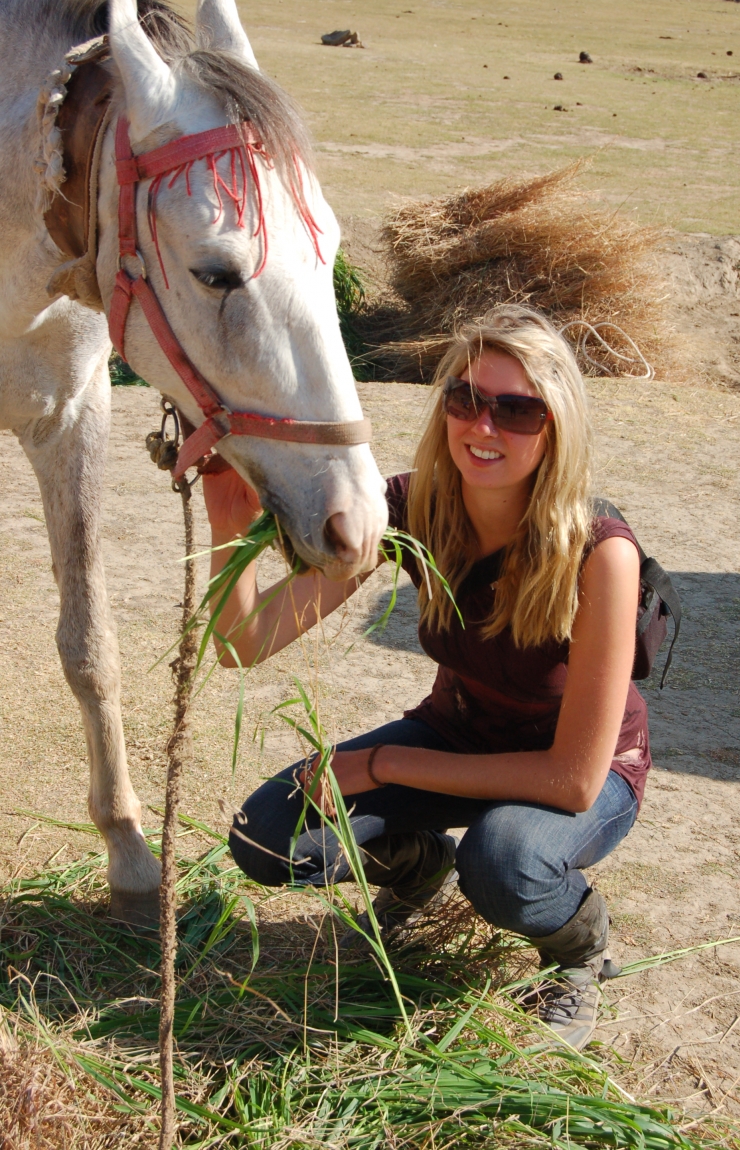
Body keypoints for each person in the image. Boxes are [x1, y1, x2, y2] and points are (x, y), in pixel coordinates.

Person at [202, 305, 649, 1050]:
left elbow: (571, 781)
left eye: (518, 410)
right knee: (266, 834)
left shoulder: (601, 552)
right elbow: (243, 643)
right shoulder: (409, 509)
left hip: (585, 769)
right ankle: (418, 868)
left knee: (503, 860)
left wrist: (379, 765)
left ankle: (578, 949)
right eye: (466, 400)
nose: (484, 428)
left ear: (557, 425)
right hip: (460, 734)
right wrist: (226, 523)